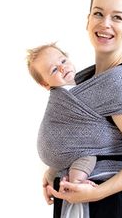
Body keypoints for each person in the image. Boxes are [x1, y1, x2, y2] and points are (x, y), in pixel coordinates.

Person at [42, 0, 122, 218]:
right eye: (98, 13)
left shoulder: (120, 83)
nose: (105, 23)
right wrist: (55, 169)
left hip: (105, 205)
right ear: (88, 21)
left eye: (117, 17)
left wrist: (96, 194)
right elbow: (91, 143)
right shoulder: (85, 78)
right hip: (75, 198)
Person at [26, 43, 97, 187]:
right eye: (53, 70)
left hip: (53, 151)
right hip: (61, 147)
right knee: (87, 154)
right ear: (45, 84)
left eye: (63, 61)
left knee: (60, 162)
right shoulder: (64, 96)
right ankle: (76, 181)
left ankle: (51, 174)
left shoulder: (79, 85)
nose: (62, 68)